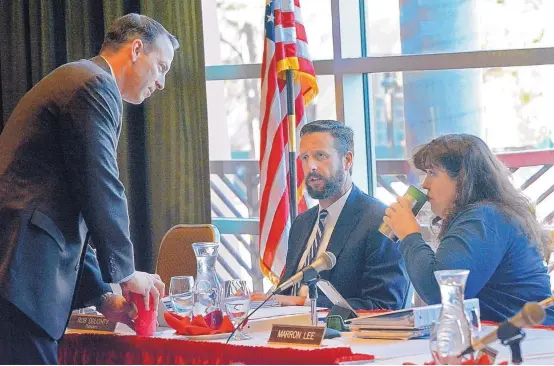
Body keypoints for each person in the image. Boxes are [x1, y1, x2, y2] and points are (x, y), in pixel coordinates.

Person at [0, 13, 179, 363]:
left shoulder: (81, 78)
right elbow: (101, 186)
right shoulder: (94, 85)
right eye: (161, 67)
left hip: (18, 274)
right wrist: (126, 275)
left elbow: (70, 208)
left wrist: (101, 295)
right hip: (20, 274)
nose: (161, 83)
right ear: (136, 49)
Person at [383, 134, 554, 324]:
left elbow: (440, 291)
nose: (424, 184)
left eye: (432, 173)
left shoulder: (484, 217)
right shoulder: (488, 213)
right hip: (513, 335)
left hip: (530, 340)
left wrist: (409, 236)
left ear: (463, 178)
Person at [276, 120, 409, 310]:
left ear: (347, 160)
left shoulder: (381, 220)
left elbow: (384, 305)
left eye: (320, 156)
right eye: (305, 158)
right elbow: (287, 292)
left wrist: (304, 304)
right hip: (287, 332)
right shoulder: (302, 223)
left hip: (341, 336)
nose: (311, 166)